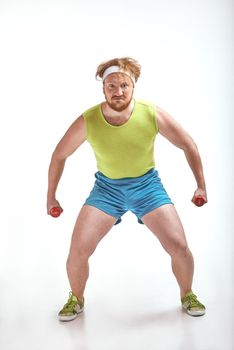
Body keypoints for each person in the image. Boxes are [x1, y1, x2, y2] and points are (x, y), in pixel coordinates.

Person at [47, 57, 207, 322]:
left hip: (147, 187)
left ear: (133, 87)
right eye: (112, 85)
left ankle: (187, 294)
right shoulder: (89, 119)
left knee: (179, 246)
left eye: (124, 85)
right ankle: (76, 298)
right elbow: (59, 155)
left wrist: (200, 186)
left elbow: (189, 144)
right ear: (103, 89)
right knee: (78, 249)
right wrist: (51, 195)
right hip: (106, 190)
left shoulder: (151, 114)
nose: (118, 91)